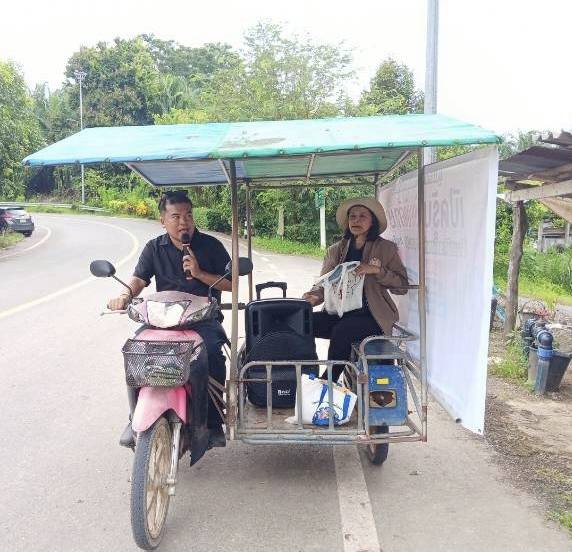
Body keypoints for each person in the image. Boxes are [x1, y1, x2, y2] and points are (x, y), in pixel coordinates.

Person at [108, 190, 231, 449]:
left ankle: (212, 422)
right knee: (136, 351)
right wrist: (124, 295)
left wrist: (199, 273)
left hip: (202, 319)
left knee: (212, 354)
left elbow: (231, 284)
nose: (184, 222)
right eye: (176, 216)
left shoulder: (211, 246)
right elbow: (139, 279)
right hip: (164, 319)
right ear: (162, 220)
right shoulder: (154, 248)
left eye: (188, 215)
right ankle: (135, 418)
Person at [302, 196, 408, 381]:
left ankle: (328, 383)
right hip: (339, 313)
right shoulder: (336, 250)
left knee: (342, 331)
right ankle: (306, 372)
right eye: (352, 216)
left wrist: (376, 270)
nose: (356, 221)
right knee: (302, 322)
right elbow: (323, 284)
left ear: (372, 221)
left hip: (372, 317)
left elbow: (401, 286)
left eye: (362, 216)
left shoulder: (386, 249)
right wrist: (315, 297)